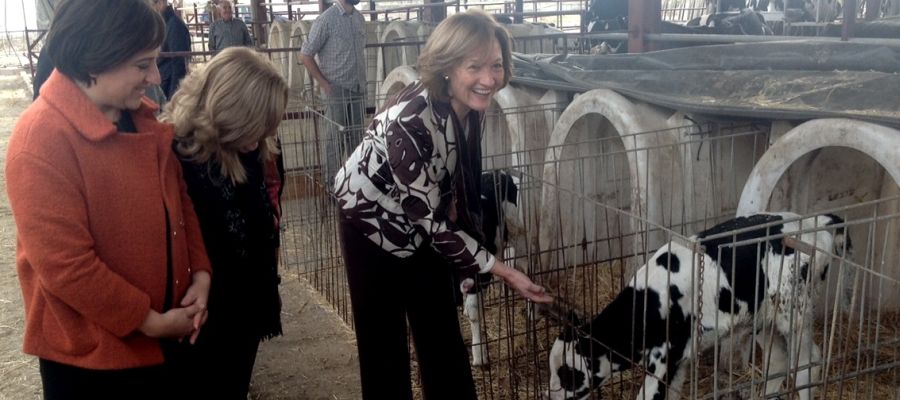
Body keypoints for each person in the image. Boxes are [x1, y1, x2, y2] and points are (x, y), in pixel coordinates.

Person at [333, 9, 553, 400]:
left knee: (441, 334)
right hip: (369, 223)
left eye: (496, 65)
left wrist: (467, 236)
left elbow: (459, 177)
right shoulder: (410, 122)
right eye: (475, 67)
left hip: (422, 222)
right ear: (448, 67)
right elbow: (433, 223)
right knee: (383, 344)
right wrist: (504, 270)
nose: (489, 79)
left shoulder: (470, 106)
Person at [5, 0, 212, 398]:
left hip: (168, 335)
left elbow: (180, 201)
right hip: (94, 359)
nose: (154, 77)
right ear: (95, 60)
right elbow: (67, 267)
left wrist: (200, 274)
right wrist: (149, 321)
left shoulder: (139, 117)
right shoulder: (41, 142)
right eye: (141, 65)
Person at [160, 46, 287, 398]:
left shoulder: (252, 147)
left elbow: (265, 220)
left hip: (246, 304)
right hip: (204, 315)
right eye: (257, 126)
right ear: (230, 110)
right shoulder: (178, 156)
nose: (261, 137)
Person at [300, 0, 366, 190]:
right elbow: (305, 54)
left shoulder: (359, 19)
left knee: (357, 139)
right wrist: (324, 84)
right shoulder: (326, 20)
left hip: (358, 87)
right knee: (334, 141)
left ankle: (356, 183)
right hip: (336, 89)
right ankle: (332, 186)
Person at [154, 0, 192, 99]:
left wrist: (173, 98)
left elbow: (179, 64)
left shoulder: (174, 26)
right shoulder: (163, 23)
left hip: (168, 85)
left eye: (152, 4)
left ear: (161, 3)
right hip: (163, 82)